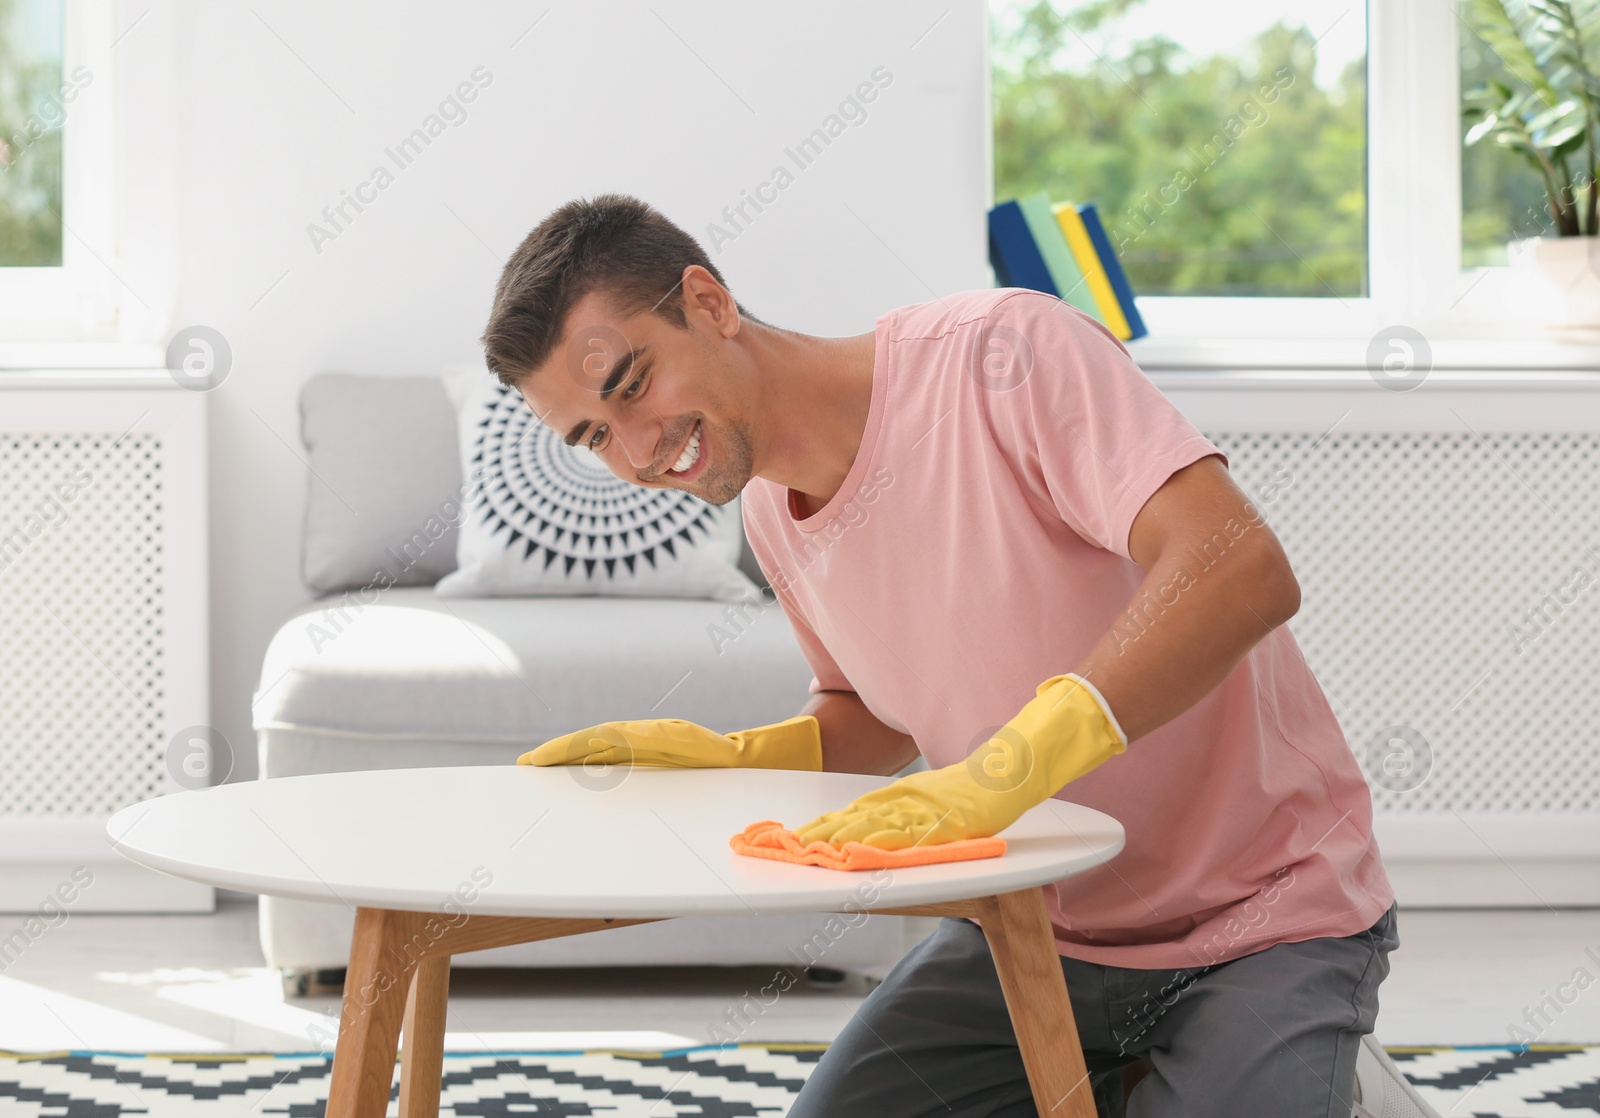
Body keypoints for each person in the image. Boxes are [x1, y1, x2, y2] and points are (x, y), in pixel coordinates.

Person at [481, 193, 1400, 1117]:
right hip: (1037, 924)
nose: (636, 452)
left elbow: (1238, 566)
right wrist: (747, 759)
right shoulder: (772, 511)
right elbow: (874, 710)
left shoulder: (1003, 356)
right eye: (594, 436)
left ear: (710, 303)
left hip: (1262, 918)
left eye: (632, 385)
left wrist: (1013, 766)